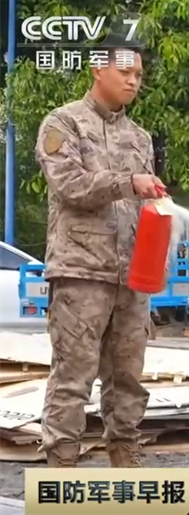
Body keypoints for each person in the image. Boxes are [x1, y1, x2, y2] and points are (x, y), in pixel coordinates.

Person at [35, 35, 166, 468]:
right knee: (73, 378)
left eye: (138, 75)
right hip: (80, 273)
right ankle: (62, 470)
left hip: (132, 278)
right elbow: (68, 185)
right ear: (97, 69)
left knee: (128, 379)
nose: (133, 82)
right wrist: (127, 183)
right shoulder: (63, 123)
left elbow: (146, 206)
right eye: (125, 72)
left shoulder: (140, 138)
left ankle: (125, 463)